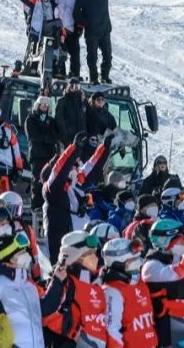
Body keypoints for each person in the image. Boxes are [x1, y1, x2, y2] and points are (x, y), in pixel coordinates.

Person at [0, 231, 59, 348]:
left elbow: (44, 309)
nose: (26, 255)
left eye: (25, 251)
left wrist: (58, 282)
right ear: (9, 257)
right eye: (21, 253)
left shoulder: (29, 285)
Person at [43, 133, 111, 261]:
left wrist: (105, 147)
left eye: (76, 165)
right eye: (72, 166)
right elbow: (60, 168)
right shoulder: (53, 188)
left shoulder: (75, 181)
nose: (76, 168)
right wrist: (74, 148)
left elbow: (92, 166)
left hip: (80, 236)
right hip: (62, 240)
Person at [42, 230, 112, 347]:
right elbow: (48, 317)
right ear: (75, 257)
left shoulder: (96, 281)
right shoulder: (63, 283)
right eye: (90, 253)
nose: (96, 257)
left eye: (95, 252)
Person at [141, 218, 184, 346]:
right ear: (166, 241)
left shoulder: (175, 259)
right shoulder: (151, 267)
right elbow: (178, 275)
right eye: (180, 240)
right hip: (167, 329)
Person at [73, 0, 125, 84]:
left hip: (105, 31)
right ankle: (94, 77)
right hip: (91, 33)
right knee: (92, 56)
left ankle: (105, 76)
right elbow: (76, 14)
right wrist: (86, 24)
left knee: (108, 56)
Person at [102, 236, 158, 348]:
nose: (138, 264)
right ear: (118, 264)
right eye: (133, 261)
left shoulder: (141, 284)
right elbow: (111, 331)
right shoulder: (112, 291)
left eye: (138, 259)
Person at [25, 93, 59, 234]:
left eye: (47, 105)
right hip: (37, 156)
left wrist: (47, 138)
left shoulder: (51, 121)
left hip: (50, 156)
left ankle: (48, 206)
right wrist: (48, 138)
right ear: (37, 105)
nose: (44, 107)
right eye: (42, 104)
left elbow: (56, 136)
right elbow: (33, 136)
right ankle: (36, 206)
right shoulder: (31, 119)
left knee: (50, 182)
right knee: (37, 181)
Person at [55, 0, 83, 79]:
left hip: (72, 29)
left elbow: (81, 12)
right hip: (59, 29)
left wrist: (80, 27)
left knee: (75, 53)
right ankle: (60, 73)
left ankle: (74, 74)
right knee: (60, 52)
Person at [54, 78, 86, 146]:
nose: (76, 88)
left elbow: (87, 119)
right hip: (68, 140)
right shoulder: (62, 101)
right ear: (68, 87)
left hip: (81, 139)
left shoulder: (82, 102)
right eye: (73, 86)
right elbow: (59, 121)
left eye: (78, 86)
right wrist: (65, 138)